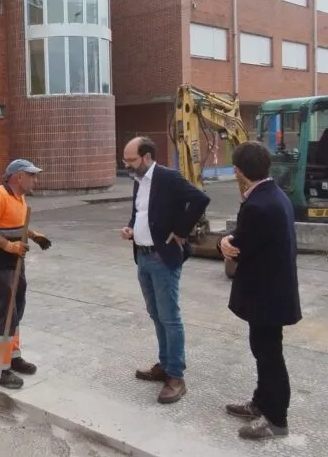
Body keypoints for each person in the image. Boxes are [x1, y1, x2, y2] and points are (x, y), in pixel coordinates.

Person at [218, 141, 301, 440]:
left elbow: (240, 247)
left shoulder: (257, 204)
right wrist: (231, 241)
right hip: (274, 292)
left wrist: (226, 244)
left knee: (269, 356)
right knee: (263, 351)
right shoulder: (274, 194)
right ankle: (261, 402)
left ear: (239, 172)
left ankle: (277, 420)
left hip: (267, 297)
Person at [121, 136, 209, 404]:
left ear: (147, 157)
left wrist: (181, 231)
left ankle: (176, 376)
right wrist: (131, 228)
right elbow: (140, 213)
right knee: (156, 314)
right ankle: (164, 364)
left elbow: (200, 199)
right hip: (143, 257)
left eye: (131, 160)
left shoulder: (168, 178)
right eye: (125, 160)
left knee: (170, 317)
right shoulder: (138, 182)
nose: (127, 165)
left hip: (162, 259)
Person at [0, 158, 52, 389]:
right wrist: (8, 246)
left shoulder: (18, 197)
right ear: (19, 176)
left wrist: (33, 235)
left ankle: (13, 357)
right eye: (32, 175)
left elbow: (15, 226)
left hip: (16, 262)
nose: (35, 180)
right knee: (6, 313)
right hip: (0, 264)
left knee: (16, 311)